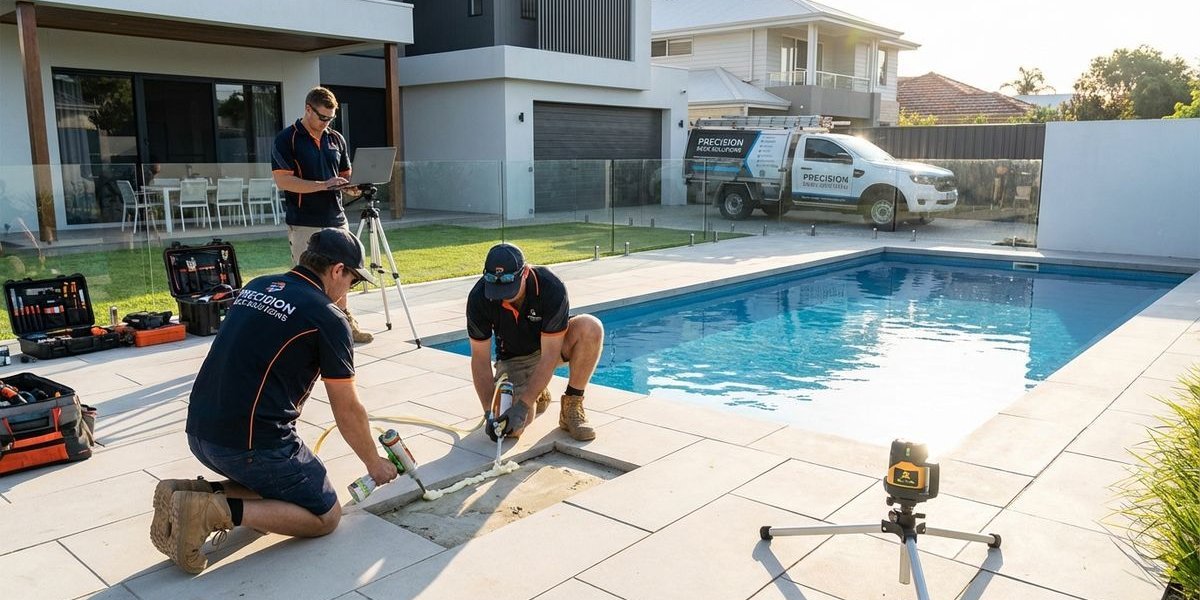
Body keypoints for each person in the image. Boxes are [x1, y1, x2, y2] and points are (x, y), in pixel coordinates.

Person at [150, 228, 399, 574]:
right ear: (338, 270)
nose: (348, 292)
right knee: (325, 514)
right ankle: (211, 512)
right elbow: (347, 407)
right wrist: (374, 463)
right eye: (353, 281)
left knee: (279, 486)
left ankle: (188, 493)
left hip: (200, 433)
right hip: (249, 446)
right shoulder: (327, 317)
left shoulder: (257, 286)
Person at [466, 243, 604, 442]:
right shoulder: (479, 297)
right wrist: (489, 411)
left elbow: (549, 356)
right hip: (514, 359)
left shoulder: (550, 287)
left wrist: (522, 407)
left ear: (525, 272)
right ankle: (538, 393)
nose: (503, 295)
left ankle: (572, 405)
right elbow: (479, 359)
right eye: (497, 290)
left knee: (590, 327)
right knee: (511, 429)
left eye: (509, 288)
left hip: (551, 349)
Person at [271, 86, 373, 344]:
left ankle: (344, 322)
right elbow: (284, 181)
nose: (327, 123)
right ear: (308, 109)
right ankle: (305, 331)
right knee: (307, 279)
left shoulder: (336, 138)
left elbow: (345, 177)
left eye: (331, 118)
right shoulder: (287, 139)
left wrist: (352, 187)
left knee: (344, 275)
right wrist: (323, 185)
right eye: (322, 117)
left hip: (336, 218)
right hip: (304, 219)